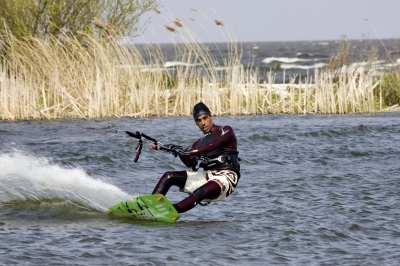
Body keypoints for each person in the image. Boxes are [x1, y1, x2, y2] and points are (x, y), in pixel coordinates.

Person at [152, 102, 241, 213]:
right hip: (209, 177)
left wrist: (187, 152)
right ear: (196, 123)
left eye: (205, 118)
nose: (203, 123)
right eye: (199, 120)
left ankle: (169, 211)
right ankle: (150, 206)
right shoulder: (197, 143)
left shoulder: (226, 131)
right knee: (169, 176)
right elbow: (190, 163)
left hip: (227, 177)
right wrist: (178, 152)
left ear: (211, 117)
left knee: (200, 191)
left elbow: (210, 146)